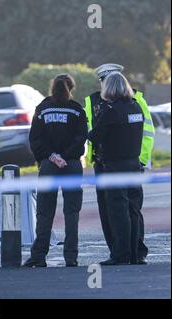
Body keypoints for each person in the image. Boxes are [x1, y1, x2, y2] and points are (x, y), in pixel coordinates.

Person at [84, 64, 154, 264]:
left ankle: (121, 254)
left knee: (117, 210)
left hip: (114, 167)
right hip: (134, 165)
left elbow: (95, 136)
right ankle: (136, 254)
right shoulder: (136, 106)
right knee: (134, 209)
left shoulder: (110, 110)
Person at [23, 74, 88, 268]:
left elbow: (35, 139)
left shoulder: (42, 109)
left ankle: (38, 256)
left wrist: (52, 156)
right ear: (71, 88)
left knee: (44, 212)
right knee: (72, 212)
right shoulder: (77, 110)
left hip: (49, 166)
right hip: (72, 165)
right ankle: (71, 257)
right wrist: (66, 156)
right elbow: (81, 138)